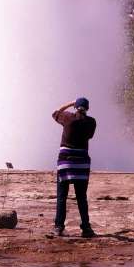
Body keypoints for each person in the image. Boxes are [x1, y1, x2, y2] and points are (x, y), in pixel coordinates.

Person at [51, 97, 97, 238]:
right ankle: (86, 228)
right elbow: (89, 136)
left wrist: (70, 103)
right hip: (81, 165)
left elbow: (55, 112)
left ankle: (59, 227)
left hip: (65, 164)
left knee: (62, 196)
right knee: (81, 197)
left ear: (75, 108)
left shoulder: (67, 117)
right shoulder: (91, 122)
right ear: (87, 109)